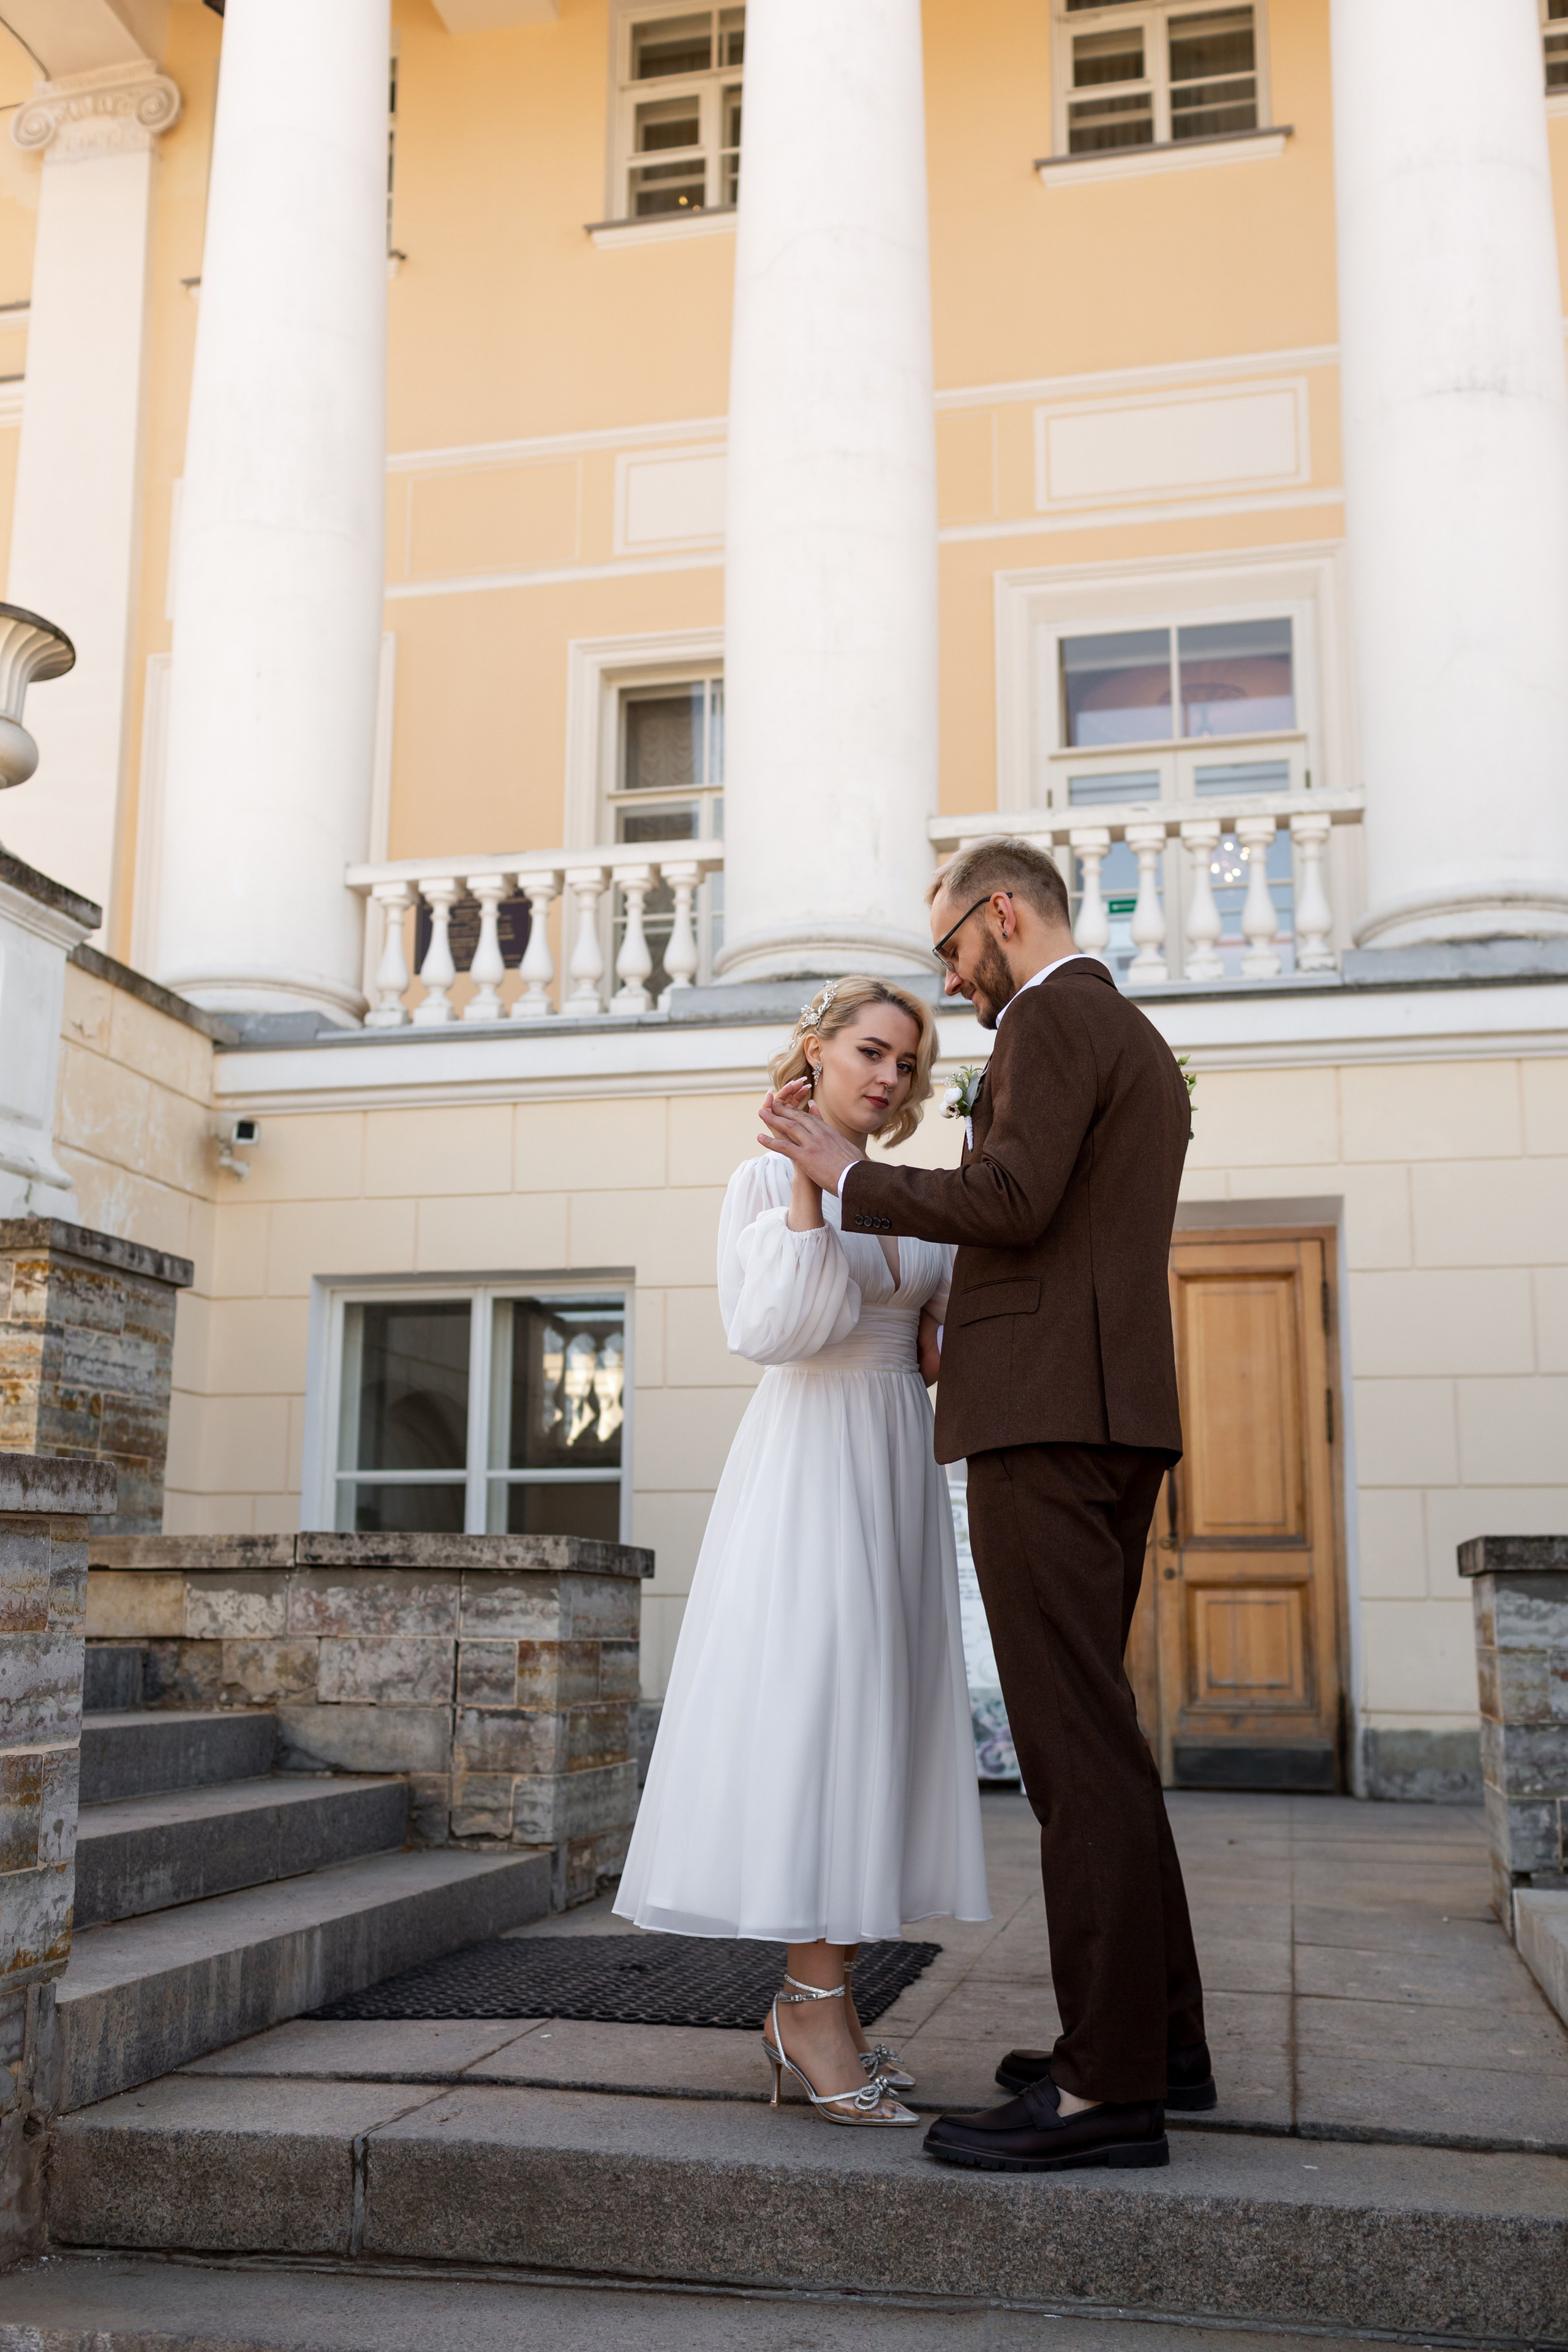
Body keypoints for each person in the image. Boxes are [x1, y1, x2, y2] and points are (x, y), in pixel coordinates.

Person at [759, 836, 1212, 2176]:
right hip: (1095, 1412)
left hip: (1051, 1423)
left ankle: (1102, 2094)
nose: (954, 982)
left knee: (1073, 1762)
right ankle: (1155, 2046)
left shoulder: (1054, 1016)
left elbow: (1011, 1199)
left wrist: (841, 1175)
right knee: (1100, 1746)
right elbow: (1054, 1225)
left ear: (1000, 913)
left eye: (954, 948)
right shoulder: (1106, 1027)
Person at [616, 974, 990, 2128]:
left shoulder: (901, 1186)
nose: (889, 1077)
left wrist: (939, 1310)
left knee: (876, 1715)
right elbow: (777, 1331)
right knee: (819, 1712)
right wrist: (806, 1193)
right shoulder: (762, 1179)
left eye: (907, 1066)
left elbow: (927, 1330)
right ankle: (809, 2004)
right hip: (811, 1461)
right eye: (872, 1052)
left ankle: (828, 2003)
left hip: (895, 1463)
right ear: (817, 1053)